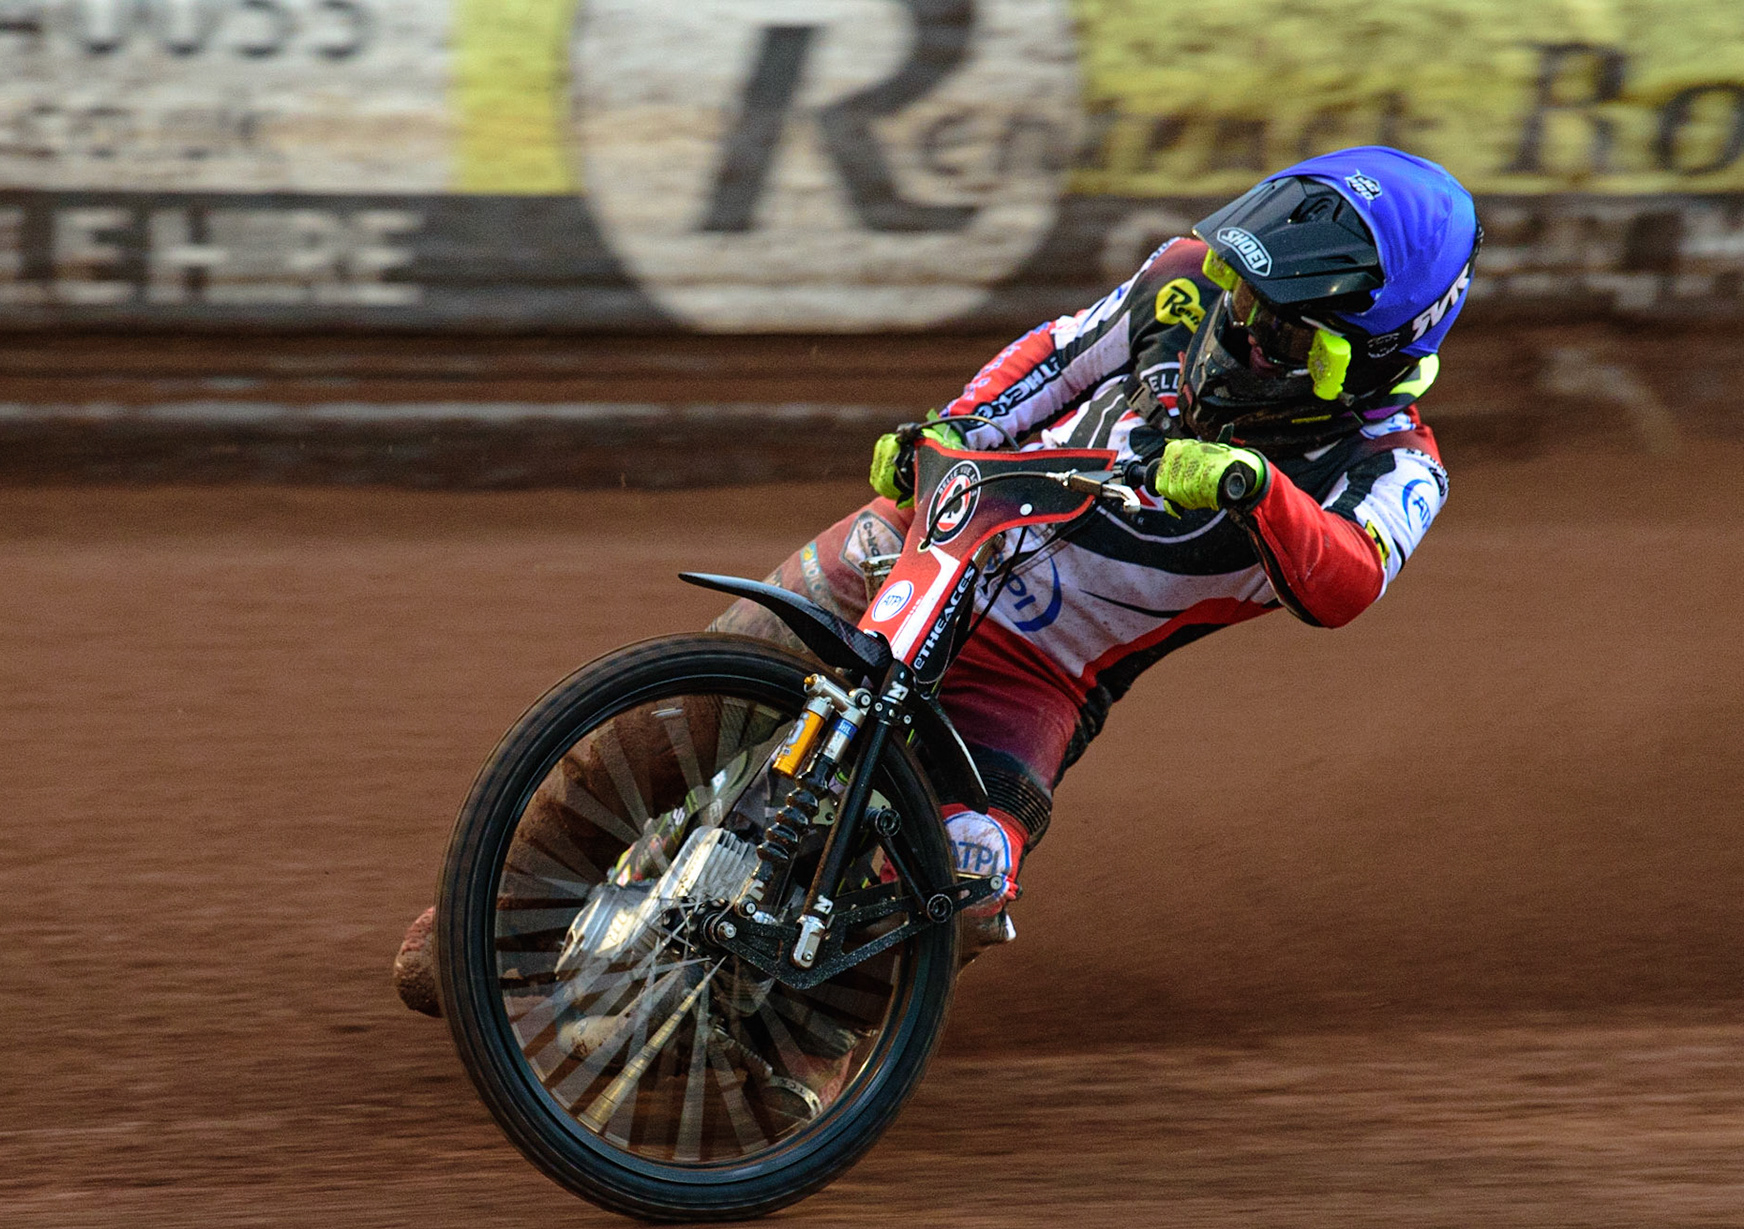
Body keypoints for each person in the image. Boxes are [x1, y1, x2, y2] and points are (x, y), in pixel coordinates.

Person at [392, 144, 1478, 1015]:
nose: (1242, 328)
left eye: (1284, 328)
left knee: (962, 881)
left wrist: (1253, 487)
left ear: (1377, 351)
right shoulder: (1185, 280)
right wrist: (950, 431)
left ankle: (779, 1070)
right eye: (1244, 294)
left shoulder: (1397, 466)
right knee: (697, 701)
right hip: (920, 549)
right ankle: (500, 919)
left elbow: (1348, 580)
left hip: (1038, 680)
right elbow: (1059, 351)